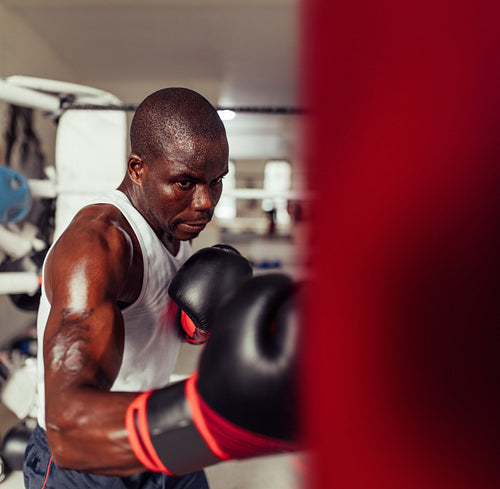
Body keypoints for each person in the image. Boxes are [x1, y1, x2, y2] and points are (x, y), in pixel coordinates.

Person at [23, 87, 231, 489]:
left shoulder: (175, 218)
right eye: (186, 182)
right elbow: (69, 425)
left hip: (156, 438)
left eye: (216, 181)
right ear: (138, 169)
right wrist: (220, 419)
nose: (206, 202)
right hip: (84, 460)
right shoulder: (96, 249)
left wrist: (196, 324)